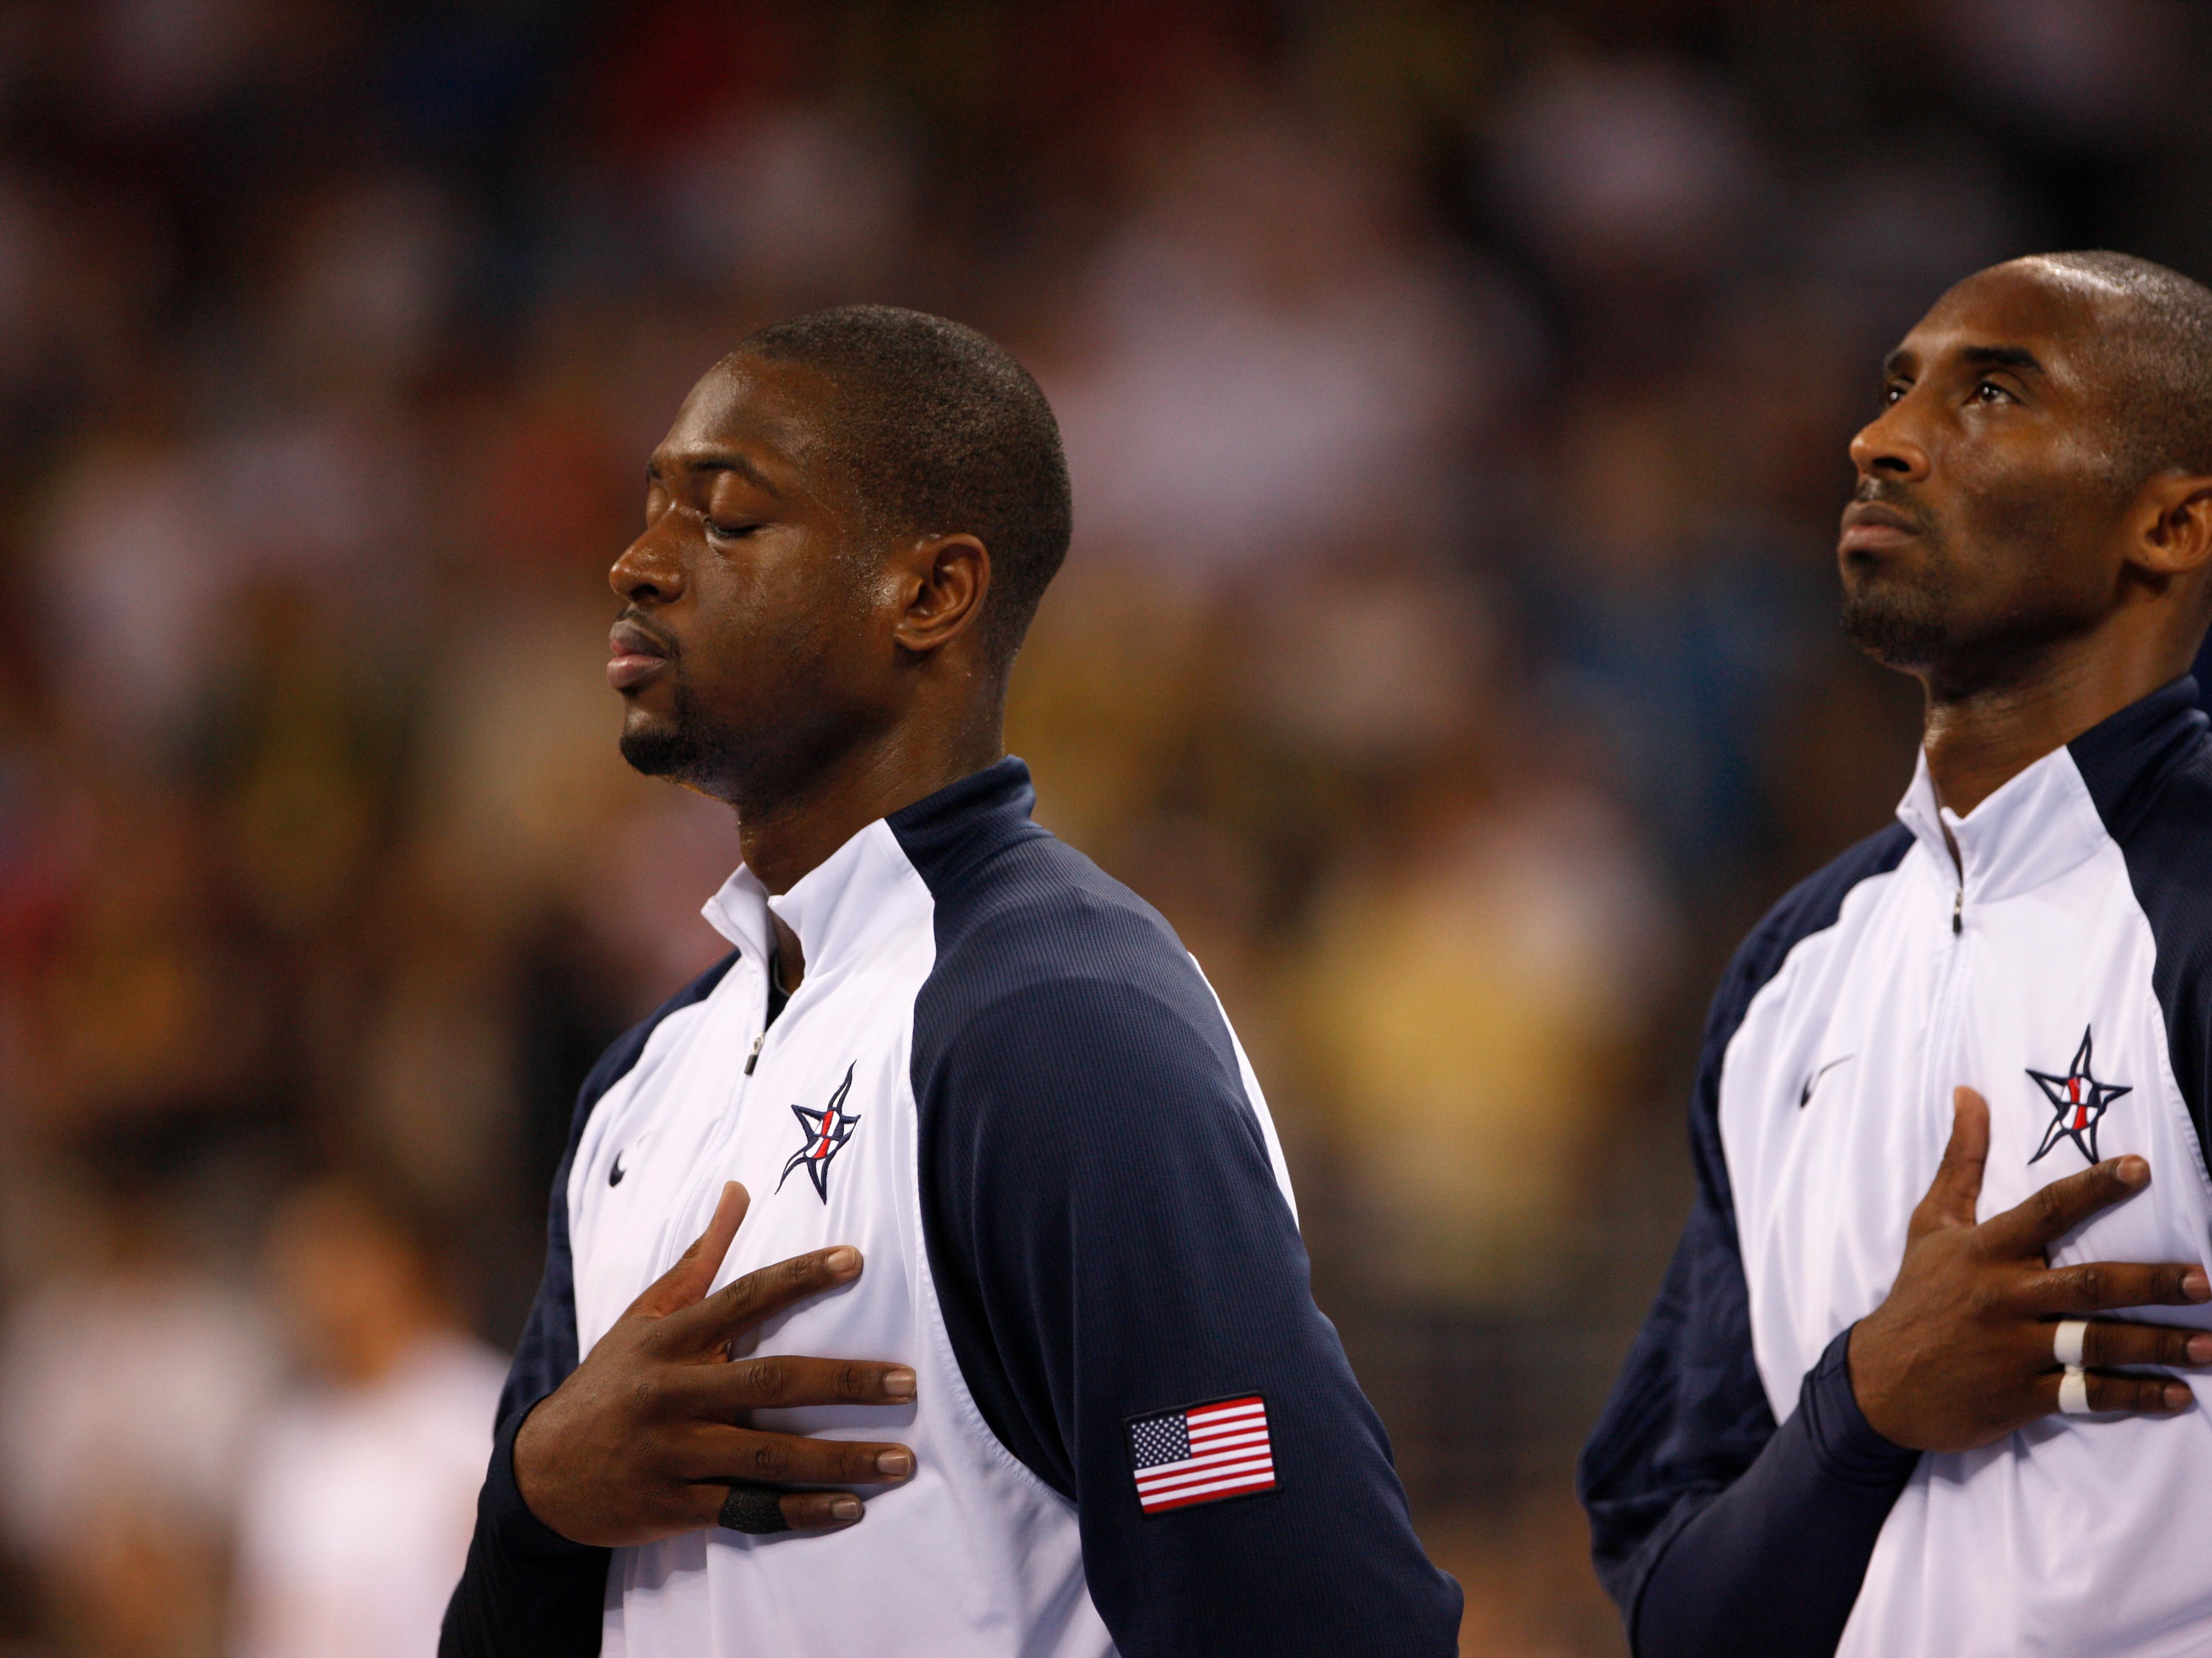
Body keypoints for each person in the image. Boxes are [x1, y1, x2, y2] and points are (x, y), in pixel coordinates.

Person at [439, 306, 1459, 1657]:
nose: (637, 565)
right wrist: (536, 1501)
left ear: (931, 594)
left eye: (728, 520)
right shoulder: (646, 1079)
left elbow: (1311, 1610)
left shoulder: (1061, 1029)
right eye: (650, 511)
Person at [1579, 252, 2212, 1657]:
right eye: (1895, 388)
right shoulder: (1789, 974)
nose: (1881, 438)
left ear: (2173, 526)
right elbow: (1675, 1595)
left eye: (1992, 392)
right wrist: (1866, 1406)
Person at [234, 1177, 505, 1658]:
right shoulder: (285, 1439)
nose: (315, 1286)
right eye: (296, 1268)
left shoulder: (480, 1411)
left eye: (335, 1258)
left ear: (399, 1262)